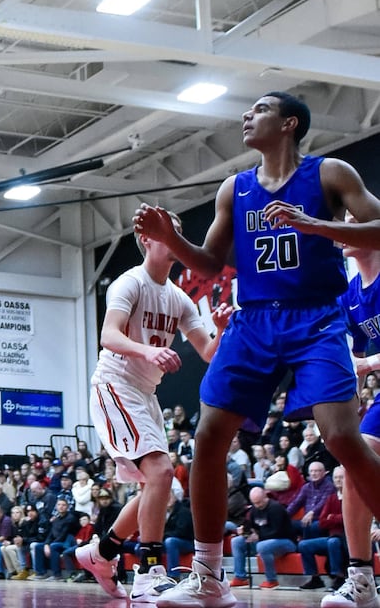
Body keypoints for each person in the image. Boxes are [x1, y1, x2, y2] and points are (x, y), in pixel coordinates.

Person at [134, 91, 380, 608]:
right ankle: (208, 576)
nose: (248, 115)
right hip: (254, 321)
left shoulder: (330, 174)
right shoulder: (234, 188)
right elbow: (207, 262)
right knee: (207, 435)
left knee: (340, 437)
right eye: (248, 110)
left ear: (290, 123)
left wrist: (317, 227)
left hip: (316, 316)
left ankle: (363, 575)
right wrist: (169, 239)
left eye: (261, 109)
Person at [76, 209, 232, 603]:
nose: (176, 237)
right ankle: (147, 572)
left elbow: (209, 353)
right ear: (146, 239)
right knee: (161, 472)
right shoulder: (130, 283)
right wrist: (148, 350)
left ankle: (102, 553)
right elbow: (108, 336)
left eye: (180, 231)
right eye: (167, 232)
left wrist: (223, 330)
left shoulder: (179, 297)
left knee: (159, 485)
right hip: (114, 383)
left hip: (145, 394)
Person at [326, 218, 380, 608]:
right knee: (355, 459)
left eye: (352, 223)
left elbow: (365, 363)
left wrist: (367, 365)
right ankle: (361, 580)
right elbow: (355, 359)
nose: (342, 229)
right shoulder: (350, 296)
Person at [228, 485, 296, 590]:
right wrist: (244, 531)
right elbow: (251, 525)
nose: (257, 505)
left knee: (262, 546)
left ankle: (272, 580)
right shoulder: (255, 509)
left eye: (259, 502)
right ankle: (240, 577)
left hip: (285, 541)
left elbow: (277, 532)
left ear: (265, 497)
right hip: (264, 540)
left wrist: (258, 536)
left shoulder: (276, 508)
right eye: (254, 503)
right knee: (236, 541)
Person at [298, 464, 347, 592]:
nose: (337, 480)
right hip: (332, 536)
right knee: (303, 545)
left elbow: (348, 519)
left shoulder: (352, 497)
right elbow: (322, 522)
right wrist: (335, 519)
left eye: (341, 477)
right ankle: (315, 579)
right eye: (336, 477)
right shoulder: (332, 498)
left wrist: (333, 518)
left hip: (346, 538)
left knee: (333, 542)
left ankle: (339, 577)